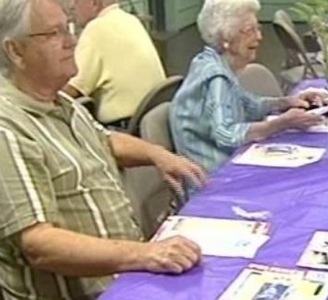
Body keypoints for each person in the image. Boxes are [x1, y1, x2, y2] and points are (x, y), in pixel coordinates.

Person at [0, 0, 206, 299]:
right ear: (15, 51)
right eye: (54, 33)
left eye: (69, 29)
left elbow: (106, 141)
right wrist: (146, 254)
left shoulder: (63, 102)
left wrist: (157, 154)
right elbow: (39, 245)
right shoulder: (7, 128)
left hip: (126, 274)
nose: (71, 41)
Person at [169, 0, 324, 180]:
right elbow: (226, 135)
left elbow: (249, 105)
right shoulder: (216, 78)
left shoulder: (209, 61)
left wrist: (287, 102)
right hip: (215, 181)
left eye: (258, 29)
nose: (259, 37)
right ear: (226, 38)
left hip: (226, 168)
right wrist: (281, 123)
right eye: (250, 30)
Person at [63, 0, 166, 129]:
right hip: (151, 123)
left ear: (94, 3)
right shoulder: (130, 20)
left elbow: (71, 90)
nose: (72, 5)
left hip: (123, 128)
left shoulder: (96, 28)